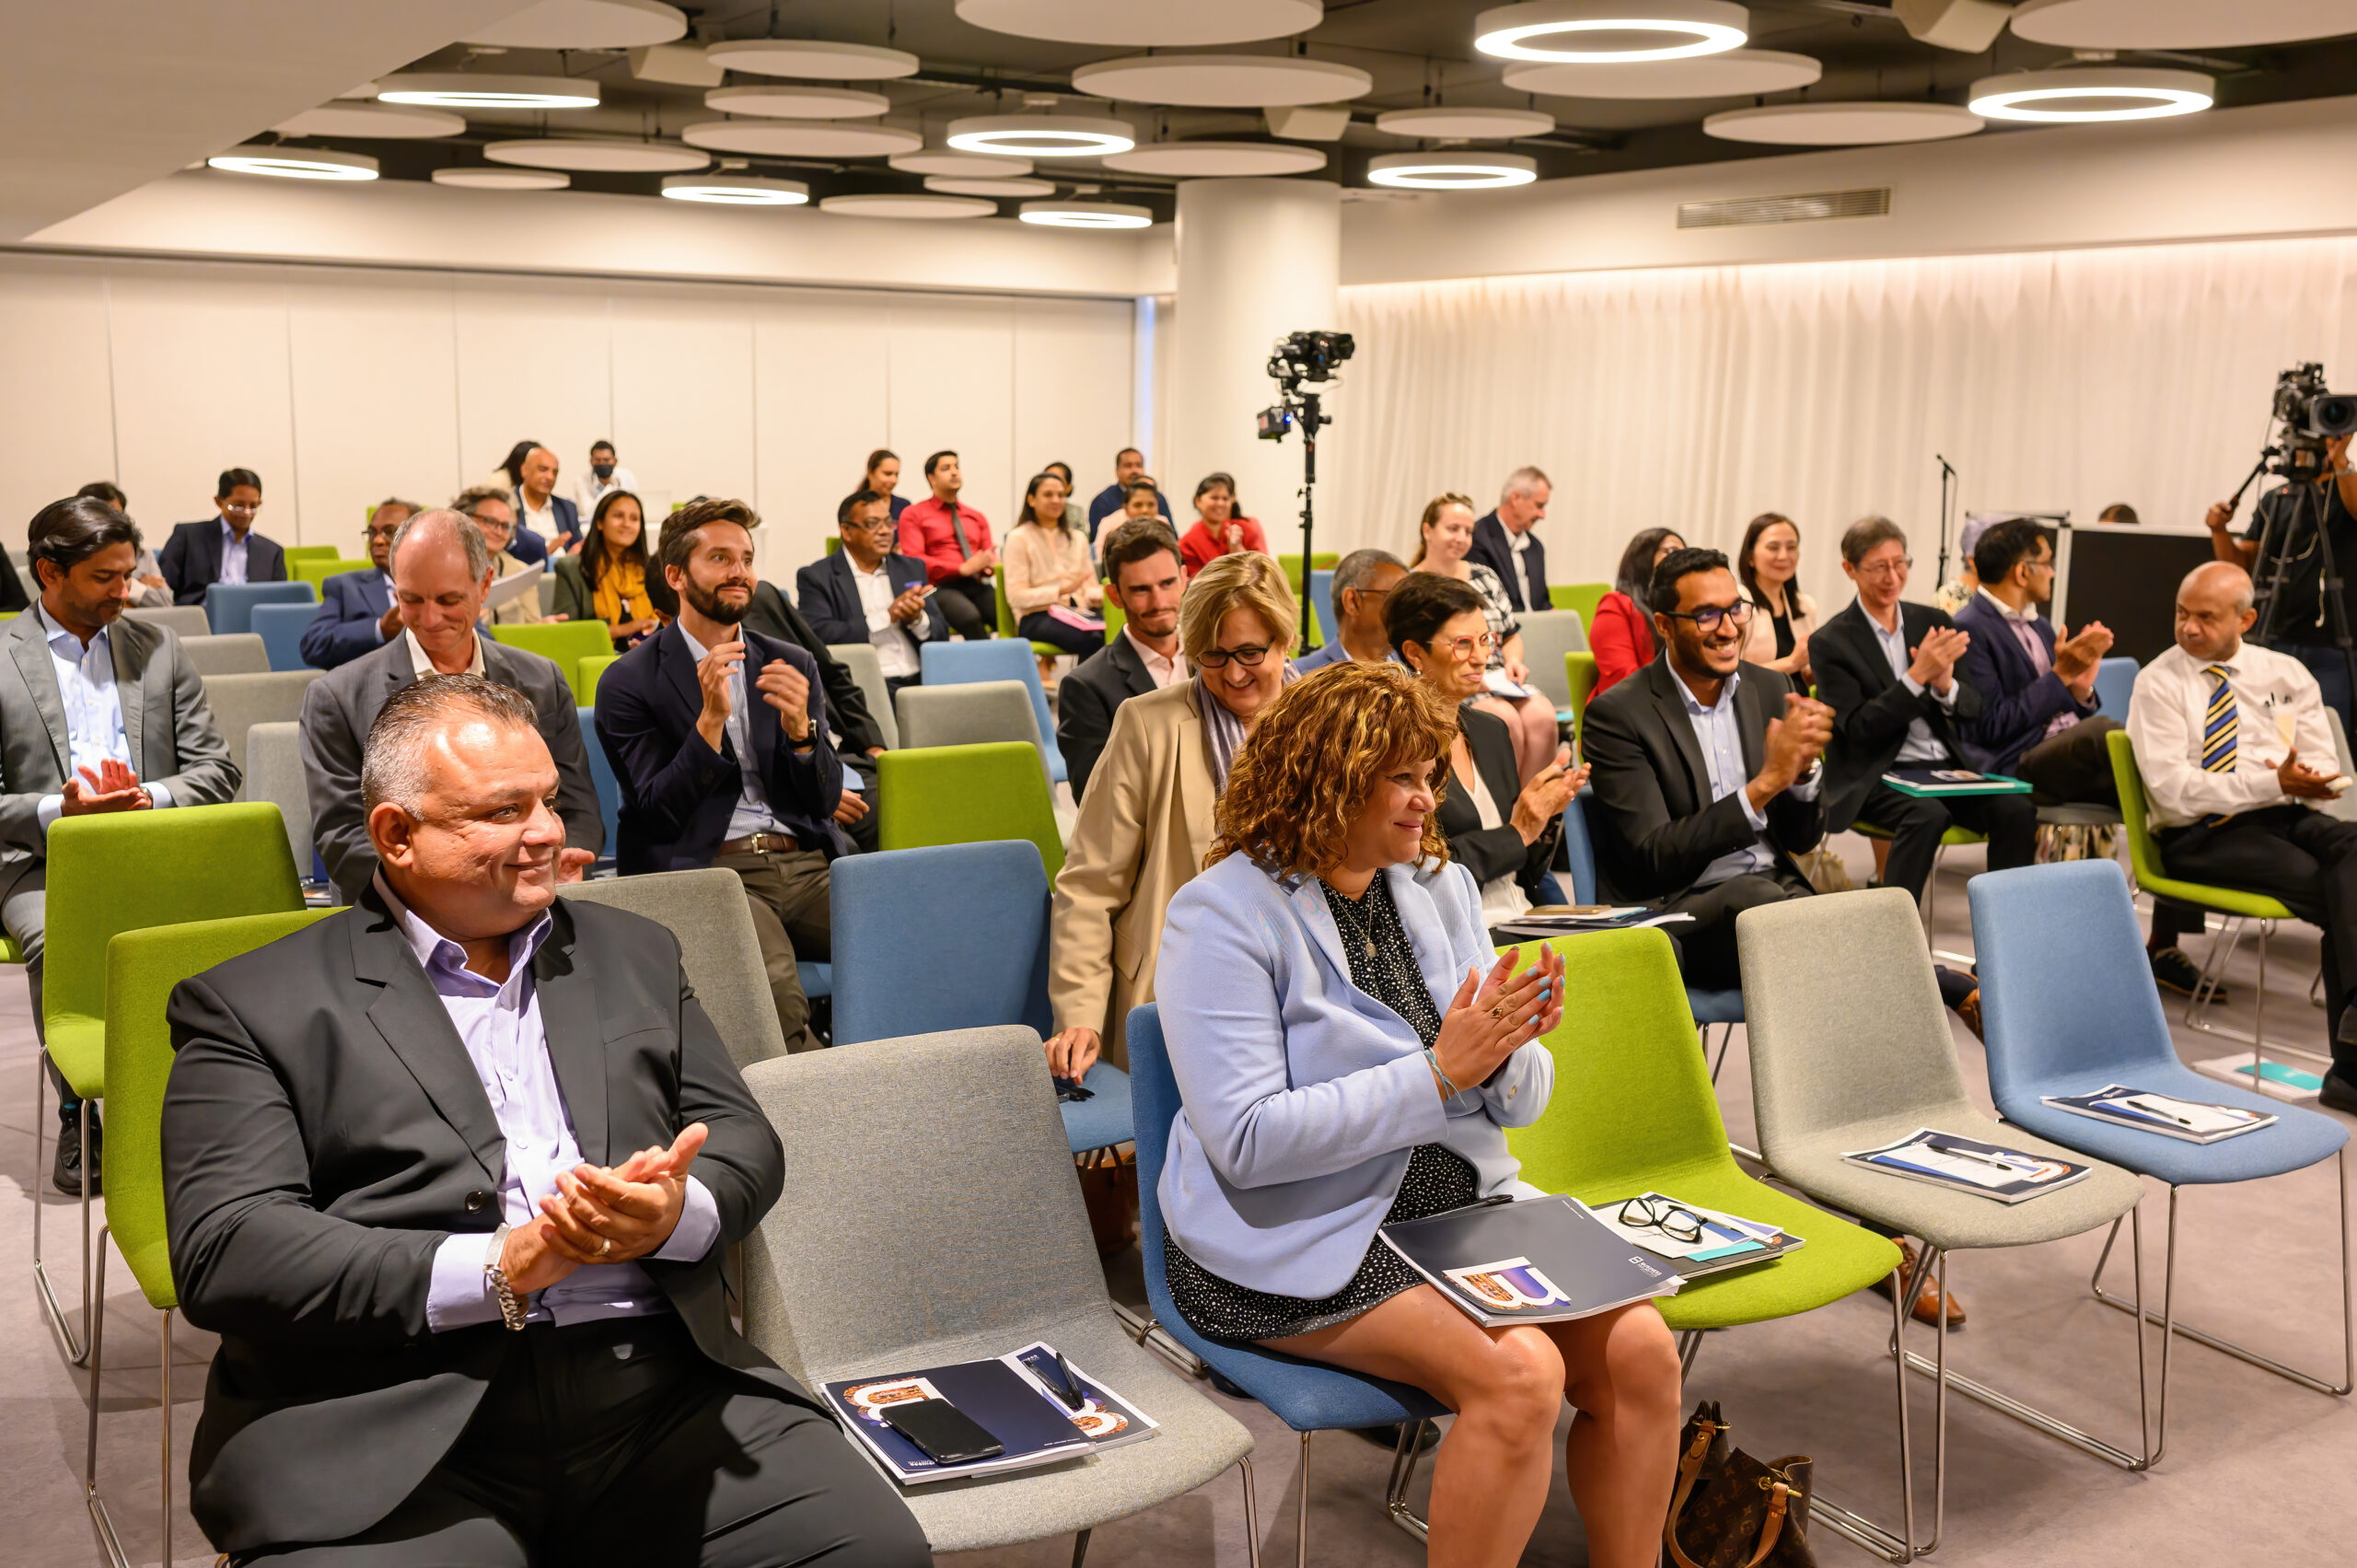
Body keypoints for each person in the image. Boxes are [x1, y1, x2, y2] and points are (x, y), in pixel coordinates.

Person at [160, 674, 930, 1567]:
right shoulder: (254, 1002)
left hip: (655, 1390)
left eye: (549, 800)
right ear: (397, 834)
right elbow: (229, 1245)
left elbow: (741, 1136)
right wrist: (499, 1265)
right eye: (503, 810)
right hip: (392, 1413)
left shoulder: (634, 951)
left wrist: (673, 1213)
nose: (547, 832)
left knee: (872, 1551)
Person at [1155, 661, 1678, 1568]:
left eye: (1430, 775)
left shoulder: (1438, 887)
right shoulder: (1221, 914)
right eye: (1400, 778)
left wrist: (1507, 1045)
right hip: (1295, 1231)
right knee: (1521, 1374)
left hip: (1455, 1205)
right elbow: (1246, 1141)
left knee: (1643, 1349)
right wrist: (1439, 1072)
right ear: (1326, 781)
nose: (1426, 801)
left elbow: (1518, 1102)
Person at [3, 494, 238, 1196]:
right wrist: (62, 808)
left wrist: (149, 797)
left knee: (240, 934)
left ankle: (207, 1108)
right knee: (62, 942)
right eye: (104, 577)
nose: (124, 591)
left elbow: (216, 768)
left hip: (154, 844)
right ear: (50, 572)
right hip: (41, 859)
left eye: (127, 574)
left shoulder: (157, 648)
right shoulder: (3, 657)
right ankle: (79, 1112)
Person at [596, 498, 843, 1055]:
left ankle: (910, 1081)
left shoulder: (789, 662)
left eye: (747, 559)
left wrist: (803, 734)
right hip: (710, 867)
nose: (740, 572)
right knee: (775, 994)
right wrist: (709, 722)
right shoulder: (629, 681)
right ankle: (823, 1104)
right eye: (720, 558)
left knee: (910, 941)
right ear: (676, 576)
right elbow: (658, 813)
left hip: (804, 865)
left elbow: (824, 801)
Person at [1046, 552, 1295, 1076]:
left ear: (1285, 639)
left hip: (1304, 975)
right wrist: (1080, 1015)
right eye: (1213, 656)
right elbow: (1090, 884)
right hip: (1186, 980)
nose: (1233, 673)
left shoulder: (1330, 721)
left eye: (1250, 652)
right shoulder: (1147, 724)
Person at [2129, 561, 2357, 1114]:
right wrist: (2269, 782)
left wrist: (2315, 779)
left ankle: (2353, 1049)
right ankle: (2351, 1070)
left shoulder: (2284, 673)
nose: (2189, 628)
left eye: (2206, 617)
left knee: (2353, 854)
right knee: (2339, 892)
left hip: (2283, 812)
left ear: (2246, 620)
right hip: (2200, 833)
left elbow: (2322, 756)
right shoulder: (2159, 681)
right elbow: (2173, 791)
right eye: (2181, 614)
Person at [300, 508, 602, 904]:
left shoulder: (542, 680)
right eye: (411, 599)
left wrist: (561, 861)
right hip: (404, 913)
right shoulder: (338, 698)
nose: (429, 618)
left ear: (485, 584)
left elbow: (577, 806)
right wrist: (466, 895)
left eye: (449, 599)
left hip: (532, 897)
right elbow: (343, 839)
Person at [1581, 546, 1830, 991]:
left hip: (1773, 894)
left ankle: (1940, 985)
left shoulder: (1770, 687)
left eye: (1735, 609)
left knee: (1861, 914)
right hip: (1676, 909)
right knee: (1776, 910)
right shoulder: (1617, 714)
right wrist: (1765, 785)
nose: (1729, 628)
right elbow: (1652, 857)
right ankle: (1945, 985)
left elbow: (1801, 840)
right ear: (1664, 625)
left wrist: (1802, 774)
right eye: (1707, 616)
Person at [1816, 516, 2037, 905]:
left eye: (1900, 563)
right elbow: (1860, 728)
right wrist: (1916, 677)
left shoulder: (1932, 621)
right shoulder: (1831, 641)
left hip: (1943, 769)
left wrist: (1945, 686)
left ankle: (2008, 928)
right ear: (1850, 569)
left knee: (2016, 810)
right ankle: (1895, 933)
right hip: (1876, 774)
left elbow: (1974, 708)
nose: (1892, 577)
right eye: (1878, 567)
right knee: (1926, 815)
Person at [1388, 573, 1585, 935]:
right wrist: (1518, 832)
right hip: (1461, 931)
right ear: (1415, 652)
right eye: (1463, 644)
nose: (1481, 658)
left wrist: (1544, 816)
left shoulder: (1490, 729)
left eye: (1485, 640)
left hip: (1523, 915)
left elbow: (1522, 866)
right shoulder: (1398, 744)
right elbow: (1421, 866)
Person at [2207, 430, 2357, 735]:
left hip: (2331, 647)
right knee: (2267, 737)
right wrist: (2219, 531)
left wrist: (2340, 459)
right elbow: (2241, 565)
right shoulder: (2276, 499)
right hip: (2276, 639)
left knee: (2328, 739)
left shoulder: (2345, 491)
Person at [1412, 492, 1558, 781]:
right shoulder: (1412, 585)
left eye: (1468, 531)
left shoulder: (1485, 577)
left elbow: (1510, 635)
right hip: (1449, 684)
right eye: (1453, 529)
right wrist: (1469, 679)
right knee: (1502, 719)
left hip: (1498, 679)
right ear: (1428, 530)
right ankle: (1502, 804)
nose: (1461, 538)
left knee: (1542, 715)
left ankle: (1533, 802)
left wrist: (1513, 662)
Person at [1058, 519, 1185, 801]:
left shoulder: (1214, 660)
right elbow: (1095, 800)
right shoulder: (1086, 686)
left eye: (1167, 583)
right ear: (1115, 596)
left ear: (1184, 579)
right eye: (1141, 589)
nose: (1159, 602)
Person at [795, 487, 946, 705]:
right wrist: (887, 617)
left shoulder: (911, 568)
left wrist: (917, 620)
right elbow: (819, 635)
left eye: (888, 523)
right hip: (864, 687)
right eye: (872, 524)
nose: (884, 531)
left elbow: (941, 631)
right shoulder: (818, 577)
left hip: (921, 681)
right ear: (847, 531)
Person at [1003, 469, 1105, 657]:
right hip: (1036, 615)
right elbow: (1016, 596)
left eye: (1061, 495)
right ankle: (1084, 679)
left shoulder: (1077, 538)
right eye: (1048, 495)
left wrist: (1102, 595)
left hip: (1079, 610)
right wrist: (1060, 591)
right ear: (1031, 500)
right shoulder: (1018, 538)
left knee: (1117, 632)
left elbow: (1089, 586)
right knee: (1093, 638)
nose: (1056, 500)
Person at [299, 499, 412, 669]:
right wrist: (379, 629)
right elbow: (314, 644)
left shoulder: (442, 585)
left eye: (389, 531)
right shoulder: (345, 587)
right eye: (372, 533)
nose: (377, 540)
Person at [899, 449, 996, 641]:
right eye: (946, 468)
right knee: (969, 617)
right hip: (939, 587)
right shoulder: (914, 514)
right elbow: (914, 561)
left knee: (1006, 612)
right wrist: (961, 568)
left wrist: (989, 564)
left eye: (956, 467)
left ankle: (1015, 659)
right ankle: (986, 660)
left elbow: (988, 554)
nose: (954, 472)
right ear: (931, 478)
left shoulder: (976, 516)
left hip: (976, 584)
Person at [158, 467, 289, 606]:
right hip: (200, 615)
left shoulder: (272, 553)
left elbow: (280, 603)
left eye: (253, 506)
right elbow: (161, 588)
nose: (246, 513)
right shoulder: (188, 537)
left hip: (253, 617)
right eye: (238, 505)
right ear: (219, 501)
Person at [553, 491, 659, 649]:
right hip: (596, 657)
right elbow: (566, 632)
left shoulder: (651, 569)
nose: (627, 524)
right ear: (600, 523)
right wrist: (624, 630)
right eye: (618, 516)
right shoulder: (572, 569)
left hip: (649, 655)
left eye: (634, 518)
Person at [1591, 528, 1685, 697]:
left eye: (1684, 553)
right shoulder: (1616, 605)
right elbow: (1624, 680)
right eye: (1671, 551)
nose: (1682, 560)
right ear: (1643, 559)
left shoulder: (1683, 608)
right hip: (1630, 705)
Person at [1294, 548, 1408, 674]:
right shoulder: (1305, 675)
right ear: (1352, 601)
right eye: (1396, 598)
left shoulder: (1412, 669)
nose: (1408, 608)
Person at [456, 485, 556, 626]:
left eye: (505, 526)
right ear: (466, 519)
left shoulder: (520, 572)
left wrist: (543, 625)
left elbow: (533, 624)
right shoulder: (446, 568)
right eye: (490, 522)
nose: (498, 532)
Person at [1735, 512, 1816, 683]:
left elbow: (1807, 668)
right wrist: (1792, 663)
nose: (1784, 556)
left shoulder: (1805, 605)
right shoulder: (1739, 602)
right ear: (1750, 557)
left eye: (1791, 547)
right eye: (1773, 548)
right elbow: (1733, 672)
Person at [1466, 465, 1553, 614]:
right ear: (1516, 498)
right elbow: (1484, 604)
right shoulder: (1477, 539)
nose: (1542, 515)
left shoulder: (1536, 547)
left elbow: (1543, 603)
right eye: (1539, 505)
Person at [73, 482, 158, 607]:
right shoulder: (74, 555)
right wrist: (141, 588)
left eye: (127, 575)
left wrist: (132, 588)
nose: (112, 523)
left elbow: (164, 602)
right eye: (104, 575)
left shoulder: (143, 554)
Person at [1176, 471, 1270, 579]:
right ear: (1198, 501)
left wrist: (1237, 549)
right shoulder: (1188, 542)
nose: (1220, 503)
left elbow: (1261, 573)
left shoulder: (1245, 529)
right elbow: (1197, 582)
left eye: (1225, 499)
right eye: (1214, 498)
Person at [1087, 446, 1173, 542]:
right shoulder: (1103, 501)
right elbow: (1098, 543)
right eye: (1128, 466)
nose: (1134, 471)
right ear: (1117, 471)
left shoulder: (1158, 498)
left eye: (1138, 465)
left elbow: (1173, 538)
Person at [506, 443, 572, 563]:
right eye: (543, 469)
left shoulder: (567, 507)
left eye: (555, 472)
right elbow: (507, 554)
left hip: (564, 568)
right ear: (524, 470)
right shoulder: (507, 505)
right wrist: (547, 552)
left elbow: (578, 546)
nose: (550, 477)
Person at [572, 437, 637, 516]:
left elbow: (634, 507)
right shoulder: (581, 481)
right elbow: (589, 513)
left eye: (606, 460)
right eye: (598, 460)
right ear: (591, 461)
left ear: (615, 461)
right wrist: (610, 488)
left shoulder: (627, 476)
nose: (602, 463)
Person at [862, 447, 911, 527]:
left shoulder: (904, 506)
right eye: (888, 474)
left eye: (896, 474)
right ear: (870, 472)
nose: (894, 480)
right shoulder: (856, 506)